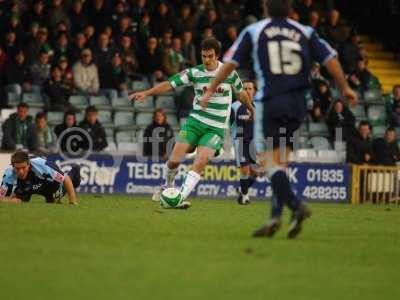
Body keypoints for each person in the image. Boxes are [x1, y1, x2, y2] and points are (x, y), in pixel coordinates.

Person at [201, 0, 357, 238]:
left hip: (272, 103)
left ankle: (296, 207)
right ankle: (276, 217)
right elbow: (330, 60)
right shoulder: (305, 31)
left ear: (265, 9)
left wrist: (212, 88)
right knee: (280, 164)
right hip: (298, 105)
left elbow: (230, 64)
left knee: (267, 164)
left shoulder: (255, 30)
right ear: (291, 10)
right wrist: (345, 87)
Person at [129, 37, 252, 209]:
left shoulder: (228, 72)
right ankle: (167, 185)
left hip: (215, 128)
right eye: (204, 56)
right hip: (194, 123)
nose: (207, 60)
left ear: (217, 56)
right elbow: (169, 84)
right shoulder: (194, 72)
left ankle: (179, 197)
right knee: (174, 161)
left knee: (200, 161)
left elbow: (240, 94)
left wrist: (251, 109)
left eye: (210, 56)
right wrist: (147, 93)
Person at [0, 150, 80, 204]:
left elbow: (65, 179)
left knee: (53, 201)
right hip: (30, 186)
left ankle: (74, 171)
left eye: (23, 168)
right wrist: (11, 201)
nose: (21, 172)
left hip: (48, 183)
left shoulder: (41, 165)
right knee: (20, 201)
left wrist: (72, 202)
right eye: (17, 168)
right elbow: (2, 197)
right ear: (13, 166)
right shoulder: (9, 174)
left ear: (28, 164)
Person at [231, 80, 261, 205]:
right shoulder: (234, 106)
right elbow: (226, 124)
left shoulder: (258, 107)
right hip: (240, 141)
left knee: (257, 172)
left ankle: (242, 190)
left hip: (253, 142)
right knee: (245, 170)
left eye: (250, 88)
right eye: (245, 88)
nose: (247, 91)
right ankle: (245, 197)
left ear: (254, 91)